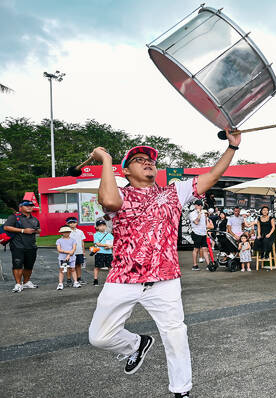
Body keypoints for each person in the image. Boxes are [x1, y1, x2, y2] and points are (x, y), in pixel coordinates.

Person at [88, 130, 240, 398]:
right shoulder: (120, 194)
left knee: (175, 335)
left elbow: (211, 177)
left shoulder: (174, 191)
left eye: (151, 160)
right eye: (139, 160)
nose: (148, 162)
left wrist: (232, 147)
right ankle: (136, 344)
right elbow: (109, 201)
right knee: (99, 337)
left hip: (165, 278)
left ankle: (181, 390)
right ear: (126, 172)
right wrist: (107, 160)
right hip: (123, 277)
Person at [3, 199, 41, 292]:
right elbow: (6, 227)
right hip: (18, 246)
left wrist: (36, 231)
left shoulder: (34, 219)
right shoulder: (14, 217)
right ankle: (18, 284)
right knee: (17, 265)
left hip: (31, 246)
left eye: (31, 205)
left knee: (29, 266)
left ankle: (26, 282)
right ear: (21, 207)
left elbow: (39, 230)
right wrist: (23, 230)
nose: (29, 207)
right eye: (27, 205)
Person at [189, 200, 212, 271]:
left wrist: (206, 217)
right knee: (196, 249)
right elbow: (196, 222)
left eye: (200, 205)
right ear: (195, 206)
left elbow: (205, 223)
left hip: (203, 233)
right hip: (196, 233)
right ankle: (195, 265)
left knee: (205, 249)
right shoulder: (192, 214)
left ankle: (209, 265)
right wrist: (199, 214)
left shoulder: (203, 213)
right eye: (198, 205)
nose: (199, 207)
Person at [66, 217, 87, 286]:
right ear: (67, 224)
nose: (72, 224)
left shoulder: (80, 232)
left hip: (79, 251)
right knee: (69, 266)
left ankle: (79, 278)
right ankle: (69, 279)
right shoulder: (66, 232)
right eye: (70, 223)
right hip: (70, 252)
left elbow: (82, 242)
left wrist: (83, 251)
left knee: (78, 265)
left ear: (76, 223)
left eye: (73, 222)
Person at [93, 219, 114, 286]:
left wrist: (110, 247)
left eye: (103, 225)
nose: (102, 227)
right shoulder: (96, 234)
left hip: (108, 253)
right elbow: (97, 243)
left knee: (110, 267)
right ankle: (95, 280)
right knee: (97, 267)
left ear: (105, 226)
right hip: (99, 252)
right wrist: (106, 245)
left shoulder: (109, 235)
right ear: (97, 227)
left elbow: (113, 244)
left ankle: (111, 279)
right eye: (100, 226)